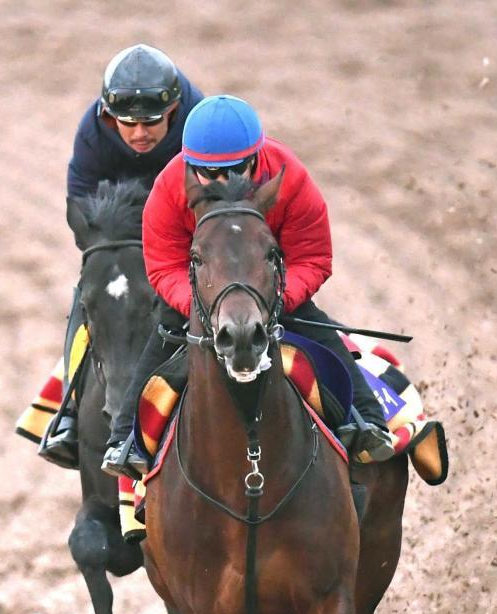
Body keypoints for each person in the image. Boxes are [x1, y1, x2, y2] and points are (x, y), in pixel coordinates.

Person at [101, 94, 396, 478]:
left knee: (321, 331)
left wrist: (278, 299)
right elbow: (163, 267)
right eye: (209, 172)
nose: (223, 180)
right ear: (191, 166)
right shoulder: (168, 188)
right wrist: (201, 307)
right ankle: (125, 440)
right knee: (159, 341)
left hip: (271, 291)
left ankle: (367, 420)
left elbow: (313, 257)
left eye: (236, 169)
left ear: (258, 159)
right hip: (200, 295)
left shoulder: (291, 177)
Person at [39, 44, 205, 468]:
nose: (138, 134)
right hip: (121, 226)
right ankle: (69, 413)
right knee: (89, 297)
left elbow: (212, 197)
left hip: (183, 221)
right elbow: (80, 202)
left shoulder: (197, 122)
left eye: (151, 122)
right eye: (127, 124)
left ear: (174, 109)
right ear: (109, 115)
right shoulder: (92, 131)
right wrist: (103, 252)